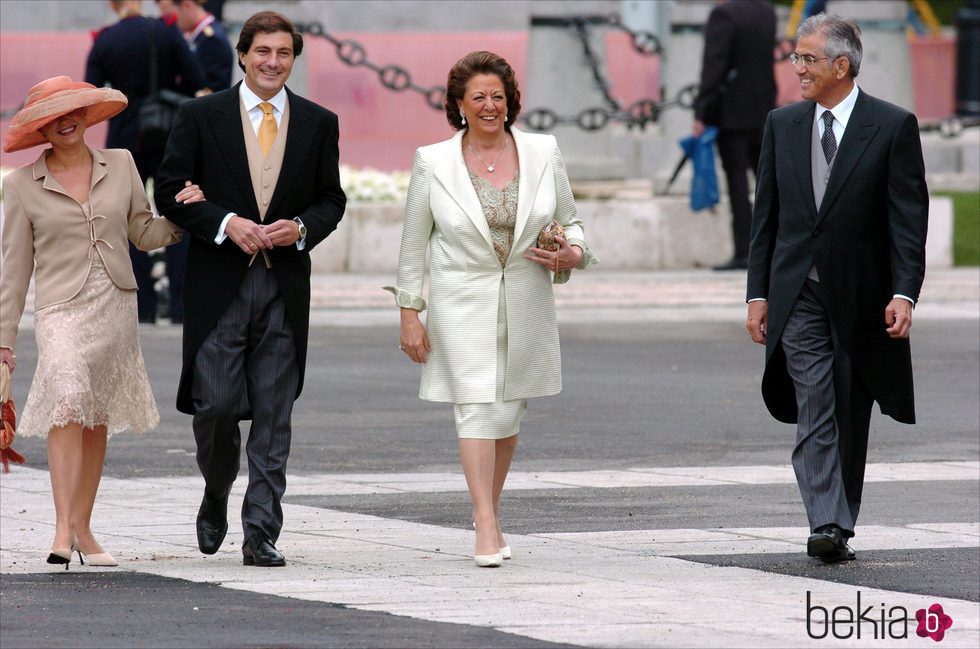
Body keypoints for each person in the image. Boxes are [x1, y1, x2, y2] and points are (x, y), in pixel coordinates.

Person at [385, 51, 598, 568]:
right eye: (477, 97)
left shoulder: (543, 151)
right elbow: (414, 245)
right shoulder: (432, 161)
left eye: (497, 96)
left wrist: (572, 253)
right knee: (477, 406)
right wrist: (410, 312)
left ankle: (491, 511)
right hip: (460, 302)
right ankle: (484, 523)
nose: (488, 106)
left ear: (510, 101)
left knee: (508, 411)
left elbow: (571, 225)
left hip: (527, 299)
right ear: (458, 104)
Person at [154, 11, 347, 568]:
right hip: (219, 287)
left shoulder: (318, 122)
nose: (272, 62)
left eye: (283, 53)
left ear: (293, 59)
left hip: (284, 288)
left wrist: (302, 228)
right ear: (242, 54)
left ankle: (261, 529)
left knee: (273, 413)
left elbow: (331, 200)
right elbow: (169, 189)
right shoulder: (200, 115)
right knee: (214, 407)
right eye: (262, 51)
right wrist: (224, 222)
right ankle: (216, 492)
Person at [745, 14, 928, 563]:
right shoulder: (782, 124)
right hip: (797, 290)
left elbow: (906, 220)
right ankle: (826, 520)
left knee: (851, 406)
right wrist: (758, 295)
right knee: (814, 403)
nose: (797, 67)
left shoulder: (892, 126)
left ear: (841, 66)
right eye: (796, 57)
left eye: (807, 58)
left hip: (863, 296)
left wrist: (904, 291)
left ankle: (839, 520)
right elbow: (767, 220)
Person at [0, 76, 198, 568]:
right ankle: (62, 526)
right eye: (53, 117)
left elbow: (142, 231)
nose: (66, 121)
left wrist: (183, 217)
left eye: (74, 111)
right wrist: (3, 340)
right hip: (61, 309)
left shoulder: (123, 163)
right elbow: (13, 269)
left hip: (115, 303)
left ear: (87, 115)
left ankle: (84, 528)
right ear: (42, 128)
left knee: (96, 415)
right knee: (67, 398)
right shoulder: (21, 184)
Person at [86, 0, 205, 324]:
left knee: (127, 220)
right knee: (178, 213)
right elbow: (195, 78)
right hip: (168, 135)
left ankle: (143, 306)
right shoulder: (166, 33)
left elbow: (93, 94)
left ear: (114, 5)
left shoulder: (106, 39)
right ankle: (181, 305)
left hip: (125, 141)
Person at [693, 0, 776, 271]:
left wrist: (701, 112)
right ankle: (775, 248)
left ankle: (745, 251)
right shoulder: (766, 12)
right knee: (769, 183)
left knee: (738, 186)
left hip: (731, 113)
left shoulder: (724, 15)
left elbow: (714, 65)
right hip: (763, 108)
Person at [176, 0, 233, 94]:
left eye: (174, 15)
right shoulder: (195, 34)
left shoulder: (212, 39)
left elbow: (208, 89)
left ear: (187, 5)